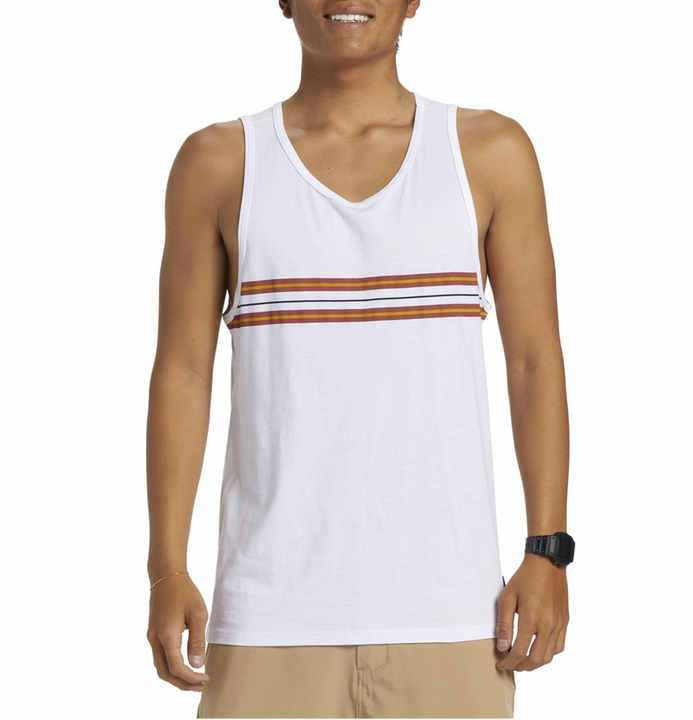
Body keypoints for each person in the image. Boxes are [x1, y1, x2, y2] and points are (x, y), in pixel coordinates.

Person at [146, 1, 572, 717]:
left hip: (454, 617)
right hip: (269, 619)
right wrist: (167, 569)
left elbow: (534, 361)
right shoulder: (219, 162)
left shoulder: (488, 153)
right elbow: (183, 373)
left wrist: (547, 550)